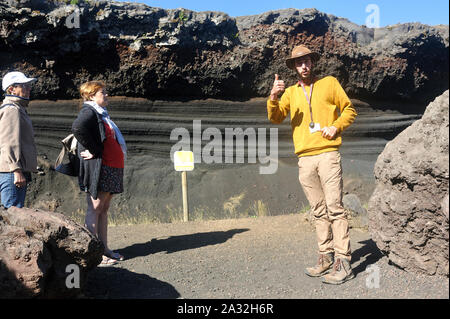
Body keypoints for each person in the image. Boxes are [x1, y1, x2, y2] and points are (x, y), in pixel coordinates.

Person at [267, 45, 357, 284]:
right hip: (304, 158)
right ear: (294, 67)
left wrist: (335, 126)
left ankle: (343, 261)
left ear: (312, 62)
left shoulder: (329, 83)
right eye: (299, 63)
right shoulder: (290, 93)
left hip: (328, 153)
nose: (303, 66)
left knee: (334, 207)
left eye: (306, 61)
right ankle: (325, 256)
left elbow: (349, 110)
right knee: (318, 210)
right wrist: (274, 96)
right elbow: (275, 118)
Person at [72, 81, 127, 266]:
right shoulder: (89, 111)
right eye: (103, 92)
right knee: (95, 208)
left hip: (111, 166)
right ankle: (94, 255)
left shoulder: (102, 114)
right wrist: (94, 150)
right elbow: (78, 128)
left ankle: (105, 249)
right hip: (101, 167)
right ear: (91, 96)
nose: (106, 95)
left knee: (103, 209)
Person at [0, 71, 38, 209]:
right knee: (12, 214)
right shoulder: (12, 110)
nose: (29, 89)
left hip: (13, 171)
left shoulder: (17, 108)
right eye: (24, 86)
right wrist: (16, 170)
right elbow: (8, 142)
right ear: (11, 89)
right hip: (12, 172)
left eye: (29, 86)